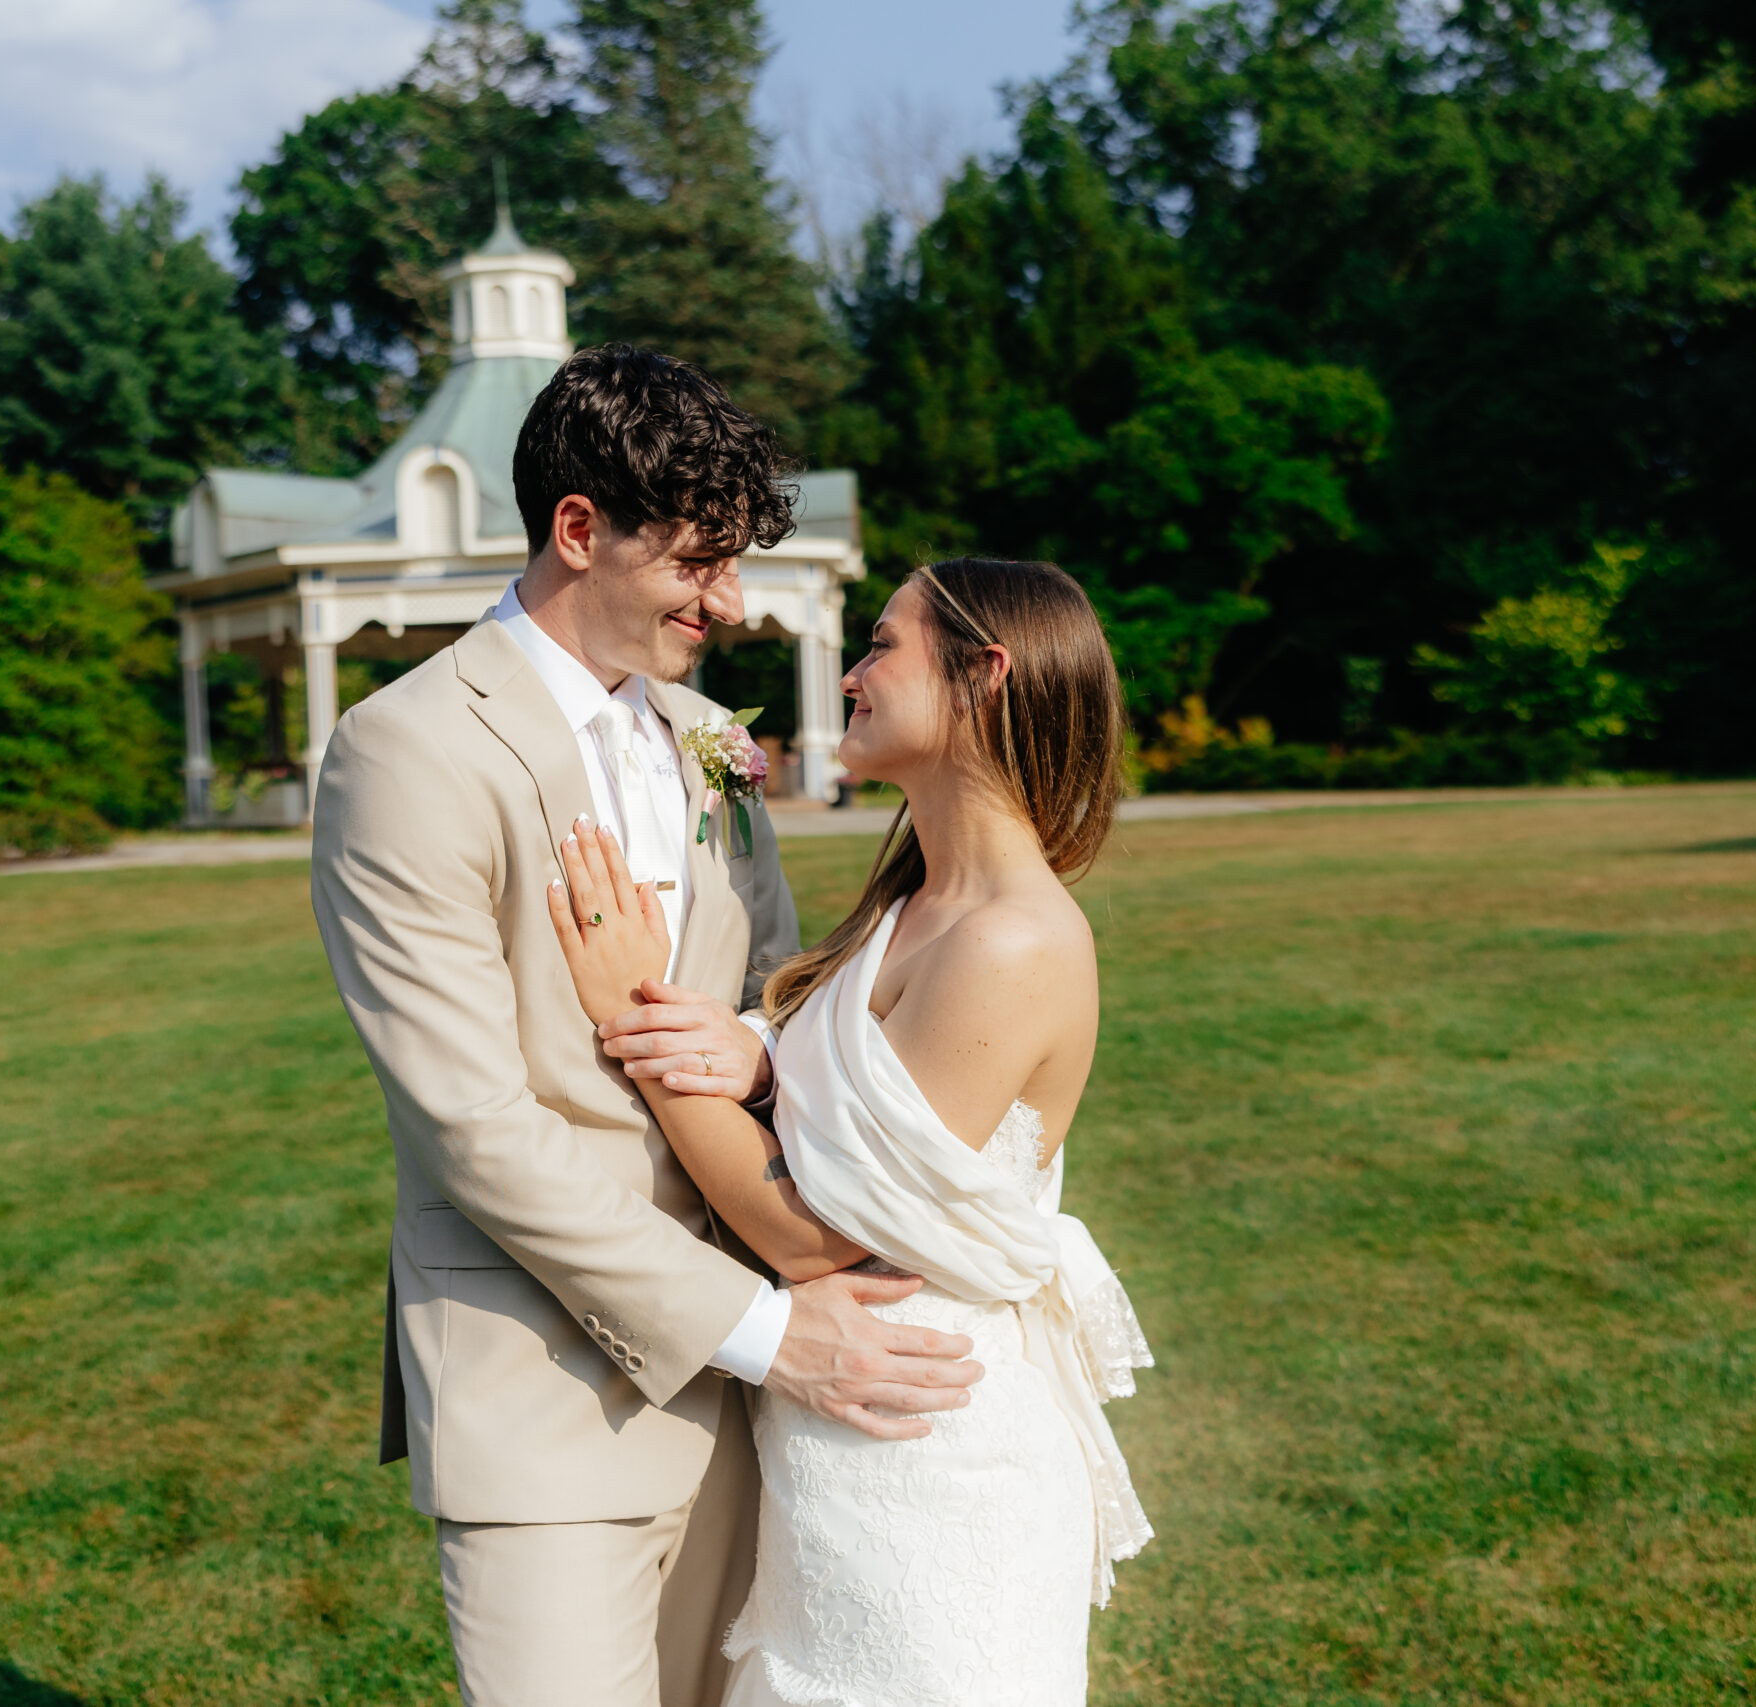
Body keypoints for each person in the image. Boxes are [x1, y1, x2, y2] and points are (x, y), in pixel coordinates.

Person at [310, 346, 986, 1707]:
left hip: (764, 1400)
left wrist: (745, 1037)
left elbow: (782, 989)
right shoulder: (408, 750)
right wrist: (762, 1323)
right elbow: (473, 1127)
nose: (729, 603)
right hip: (546, 1387)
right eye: (698, 563)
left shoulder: (705, 738)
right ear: (578, 530)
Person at [552, 556, 1155, 1707]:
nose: (850, 677)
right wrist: (753, 1051)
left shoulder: (1014, 942)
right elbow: (861, 1089)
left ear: (985, 675)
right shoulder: (916, 900)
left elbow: (812, 1239)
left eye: (882, 646)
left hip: (933, 1450)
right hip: (838, 1448)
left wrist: (635, 1019)